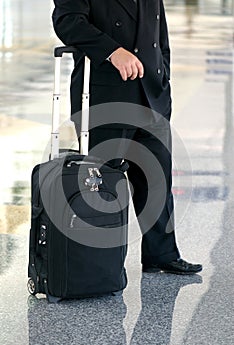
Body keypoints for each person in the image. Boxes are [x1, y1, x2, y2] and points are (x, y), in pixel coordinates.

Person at [52, 0, 202, 274]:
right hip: (105, 96)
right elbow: (68, 22)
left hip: (151, 96)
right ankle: (99, 269)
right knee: (101, 186)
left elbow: (160, 37)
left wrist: (163, 82)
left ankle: (161, 254)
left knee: (157, 181)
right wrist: (112, 52)